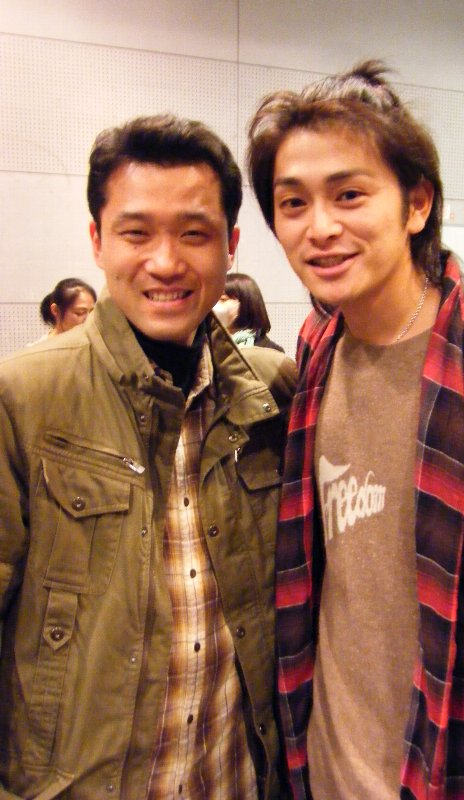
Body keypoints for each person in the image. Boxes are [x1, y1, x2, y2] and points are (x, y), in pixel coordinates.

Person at [247, 61, 464, 798]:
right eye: (293, 202)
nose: (320, 227)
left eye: (349, 194)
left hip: (451, 771)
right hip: (325, 769)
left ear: (416, 204)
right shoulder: (317, 349)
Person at [0, 114, 295, 798]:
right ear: (98, 241)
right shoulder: (23, 399)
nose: (165, 262)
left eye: (194, 234)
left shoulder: (271, 394)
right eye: (137, 233)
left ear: (231, 246)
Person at [213, 272, 285, 352]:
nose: (214, 306)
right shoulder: (208, 345)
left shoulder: (270, 351)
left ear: (245, 303)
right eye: (214, 300)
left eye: (222, 299)